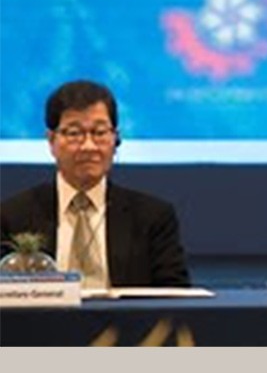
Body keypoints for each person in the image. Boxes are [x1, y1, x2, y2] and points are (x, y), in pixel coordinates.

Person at [0, 80, 191, 288]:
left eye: (99, 133)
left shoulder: (152, 218)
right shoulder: (13, 217)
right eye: (74, 133)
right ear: (51, 140)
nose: (89, 146)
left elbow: (175, 295)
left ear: (115, 139)